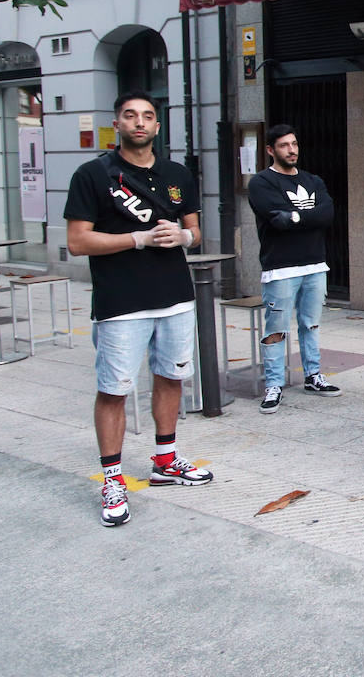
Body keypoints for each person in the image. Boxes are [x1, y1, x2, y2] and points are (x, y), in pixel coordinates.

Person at [65, 90, 214, 527]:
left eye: (147, 116)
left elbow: (196, 231)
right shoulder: (93, 175)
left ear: (157, 125)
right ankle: (112, 478)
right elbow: (77, 241)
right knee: (114, 389)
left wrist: (183, 238)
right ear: (118, 124)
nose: (139, 123)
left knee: (171, 378)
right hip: (121, 302)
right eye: (130, 116)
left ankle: (165, 460)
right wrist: (138, 238)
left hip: (174, 296)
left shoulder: (176, 174)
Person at [247, 124, 342, 413]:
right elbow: (277, 220)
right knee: (276, 329)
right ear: (270, 150)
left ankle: (313, 375)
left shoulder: (313, 180)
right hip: (280, 268)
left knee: (310, 324)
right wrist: (305, 217)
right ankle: (273, 385)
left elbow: (328, 214)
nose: (292, 150)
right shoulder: (261, 183)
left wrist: (296, 217)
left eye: (294, 144)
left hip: (315, 263)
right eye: (285, 145)